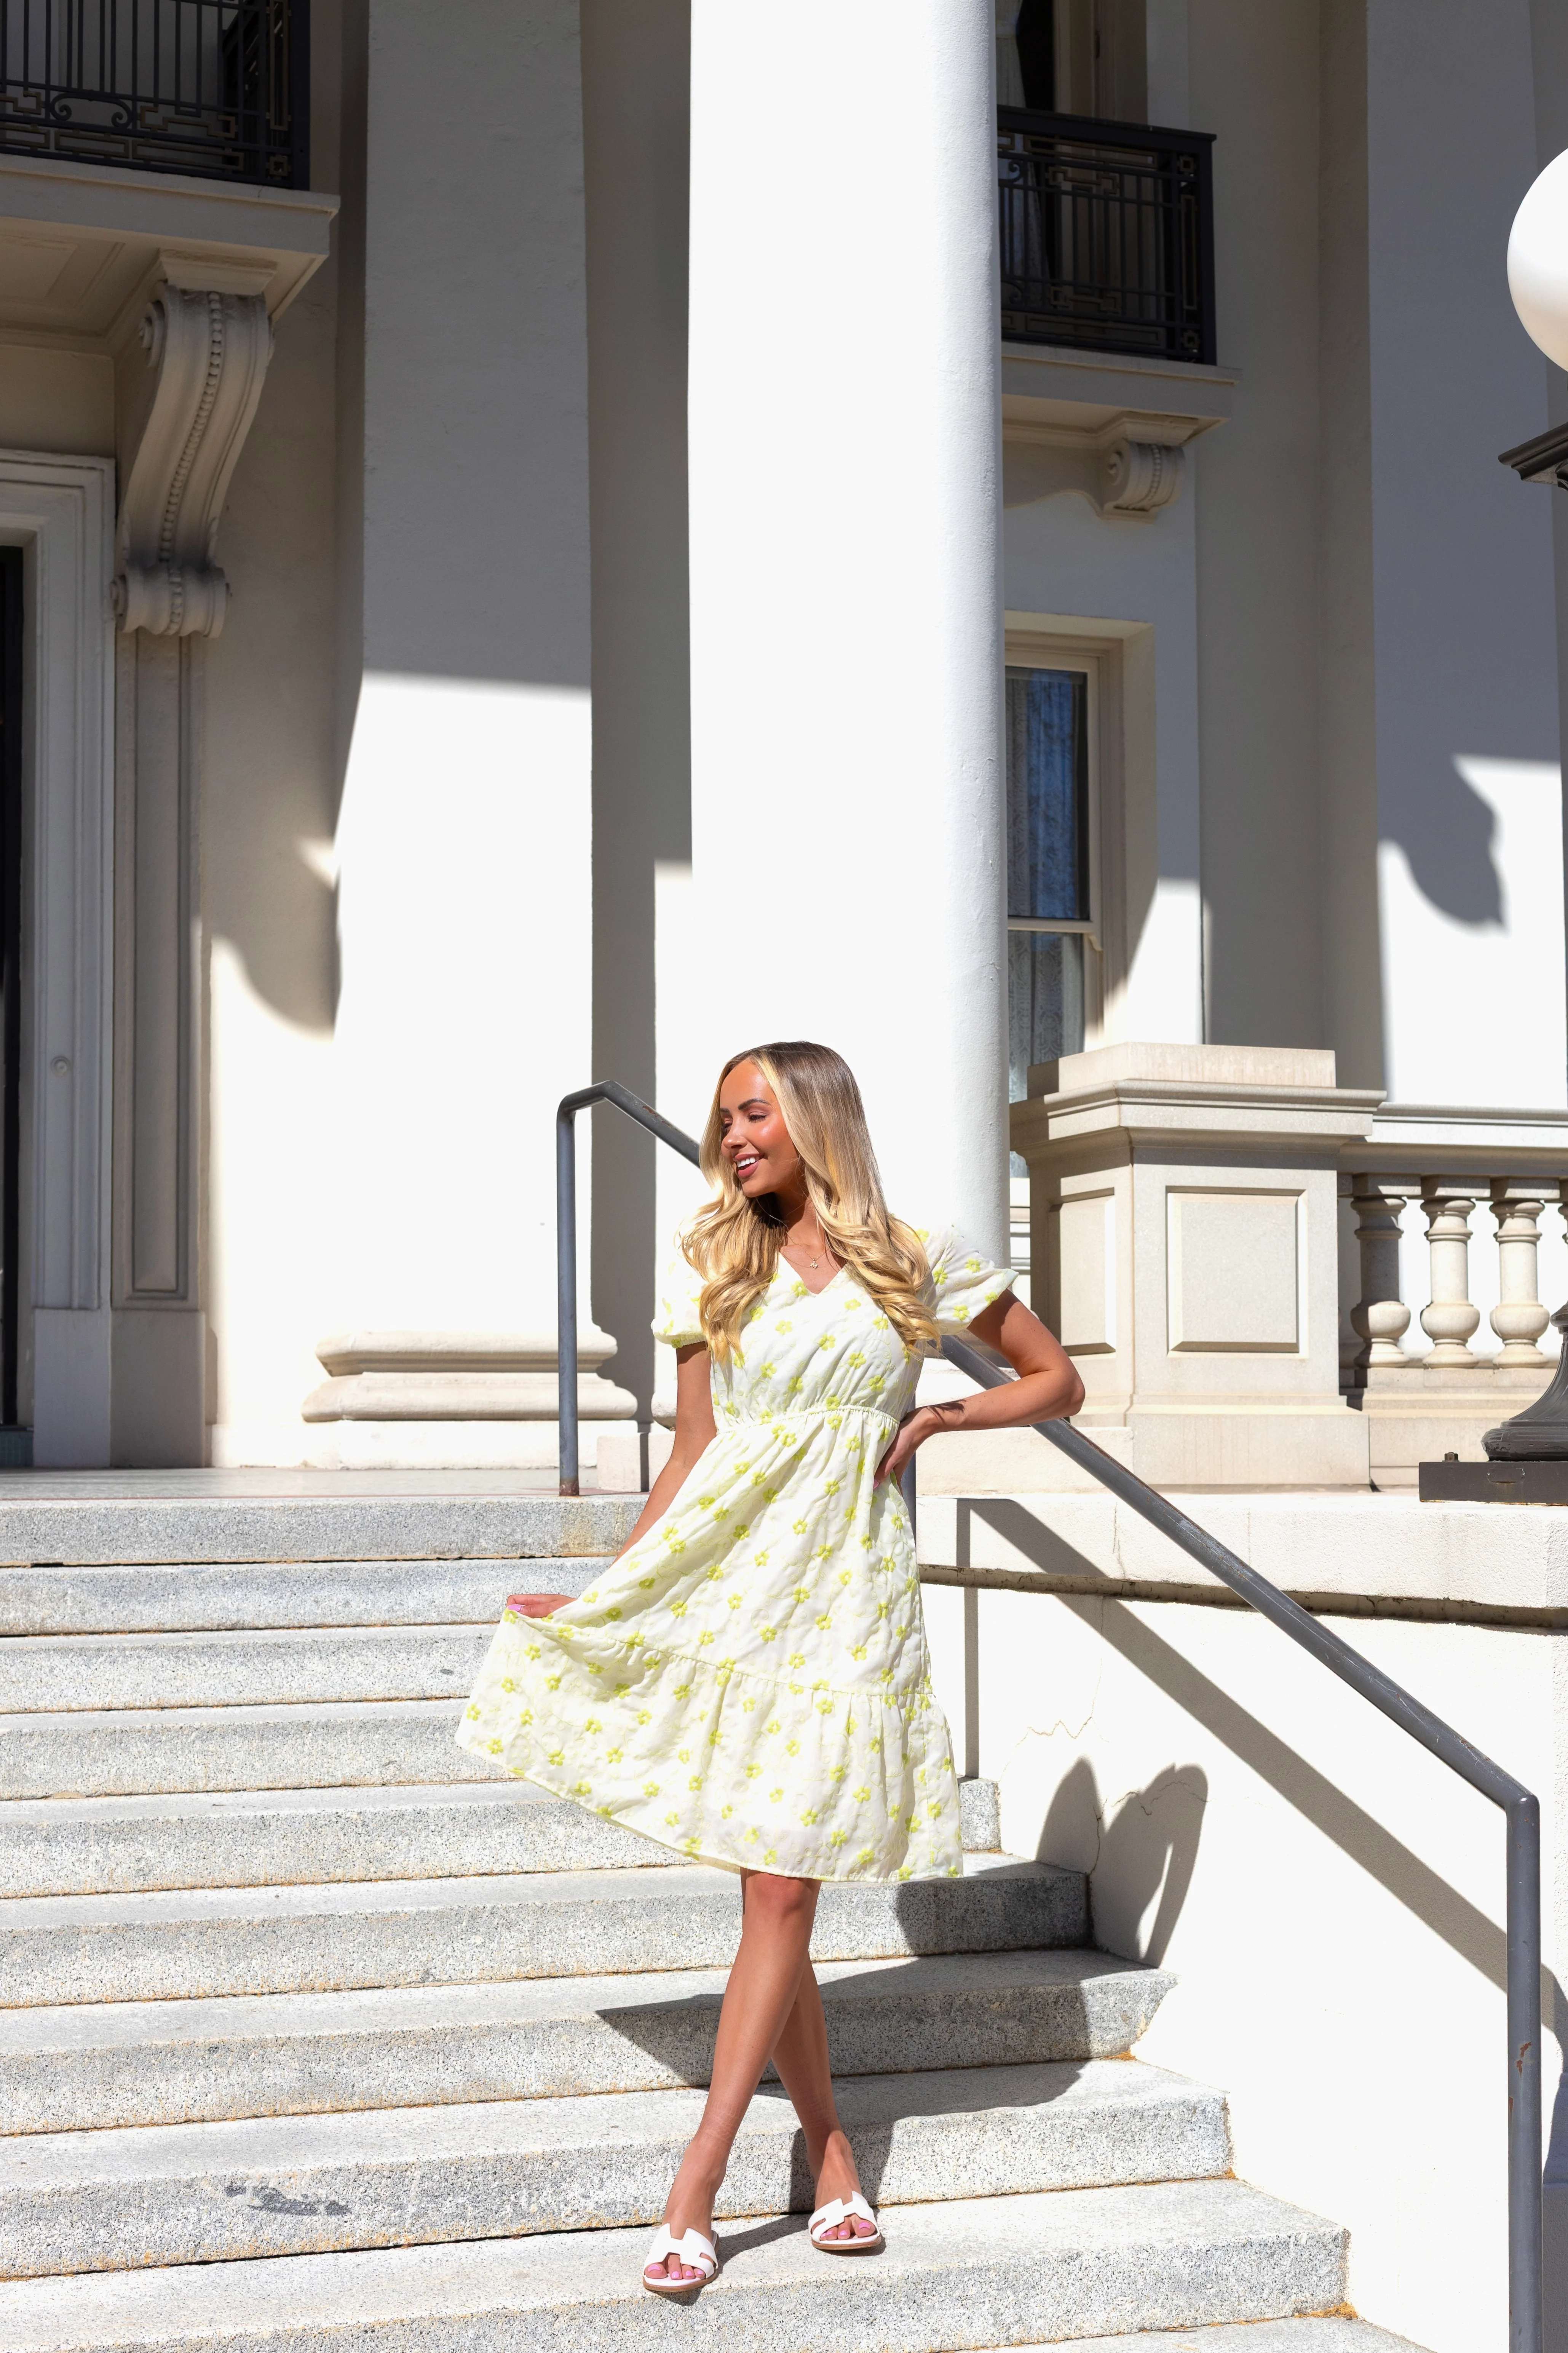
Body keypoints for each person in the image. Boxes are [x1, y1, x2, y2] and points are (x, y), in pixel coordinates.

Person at [458, 1040, 1083, 2294]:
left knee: (782, 1895)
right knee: (779, 1899)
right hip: (735, 1585)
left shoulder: (911, 1254)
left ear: (813, 1120)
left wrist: (937, 1414)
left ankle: (713, 2174)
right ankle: (816, 2154)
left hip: (848, 1594)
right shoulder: (713, 1267)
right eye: (724, 1119)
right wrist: (609, 1597)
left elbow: (1053, 1380)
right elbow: (690, 1451)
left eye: (756, 1114)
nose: (735, 1136)